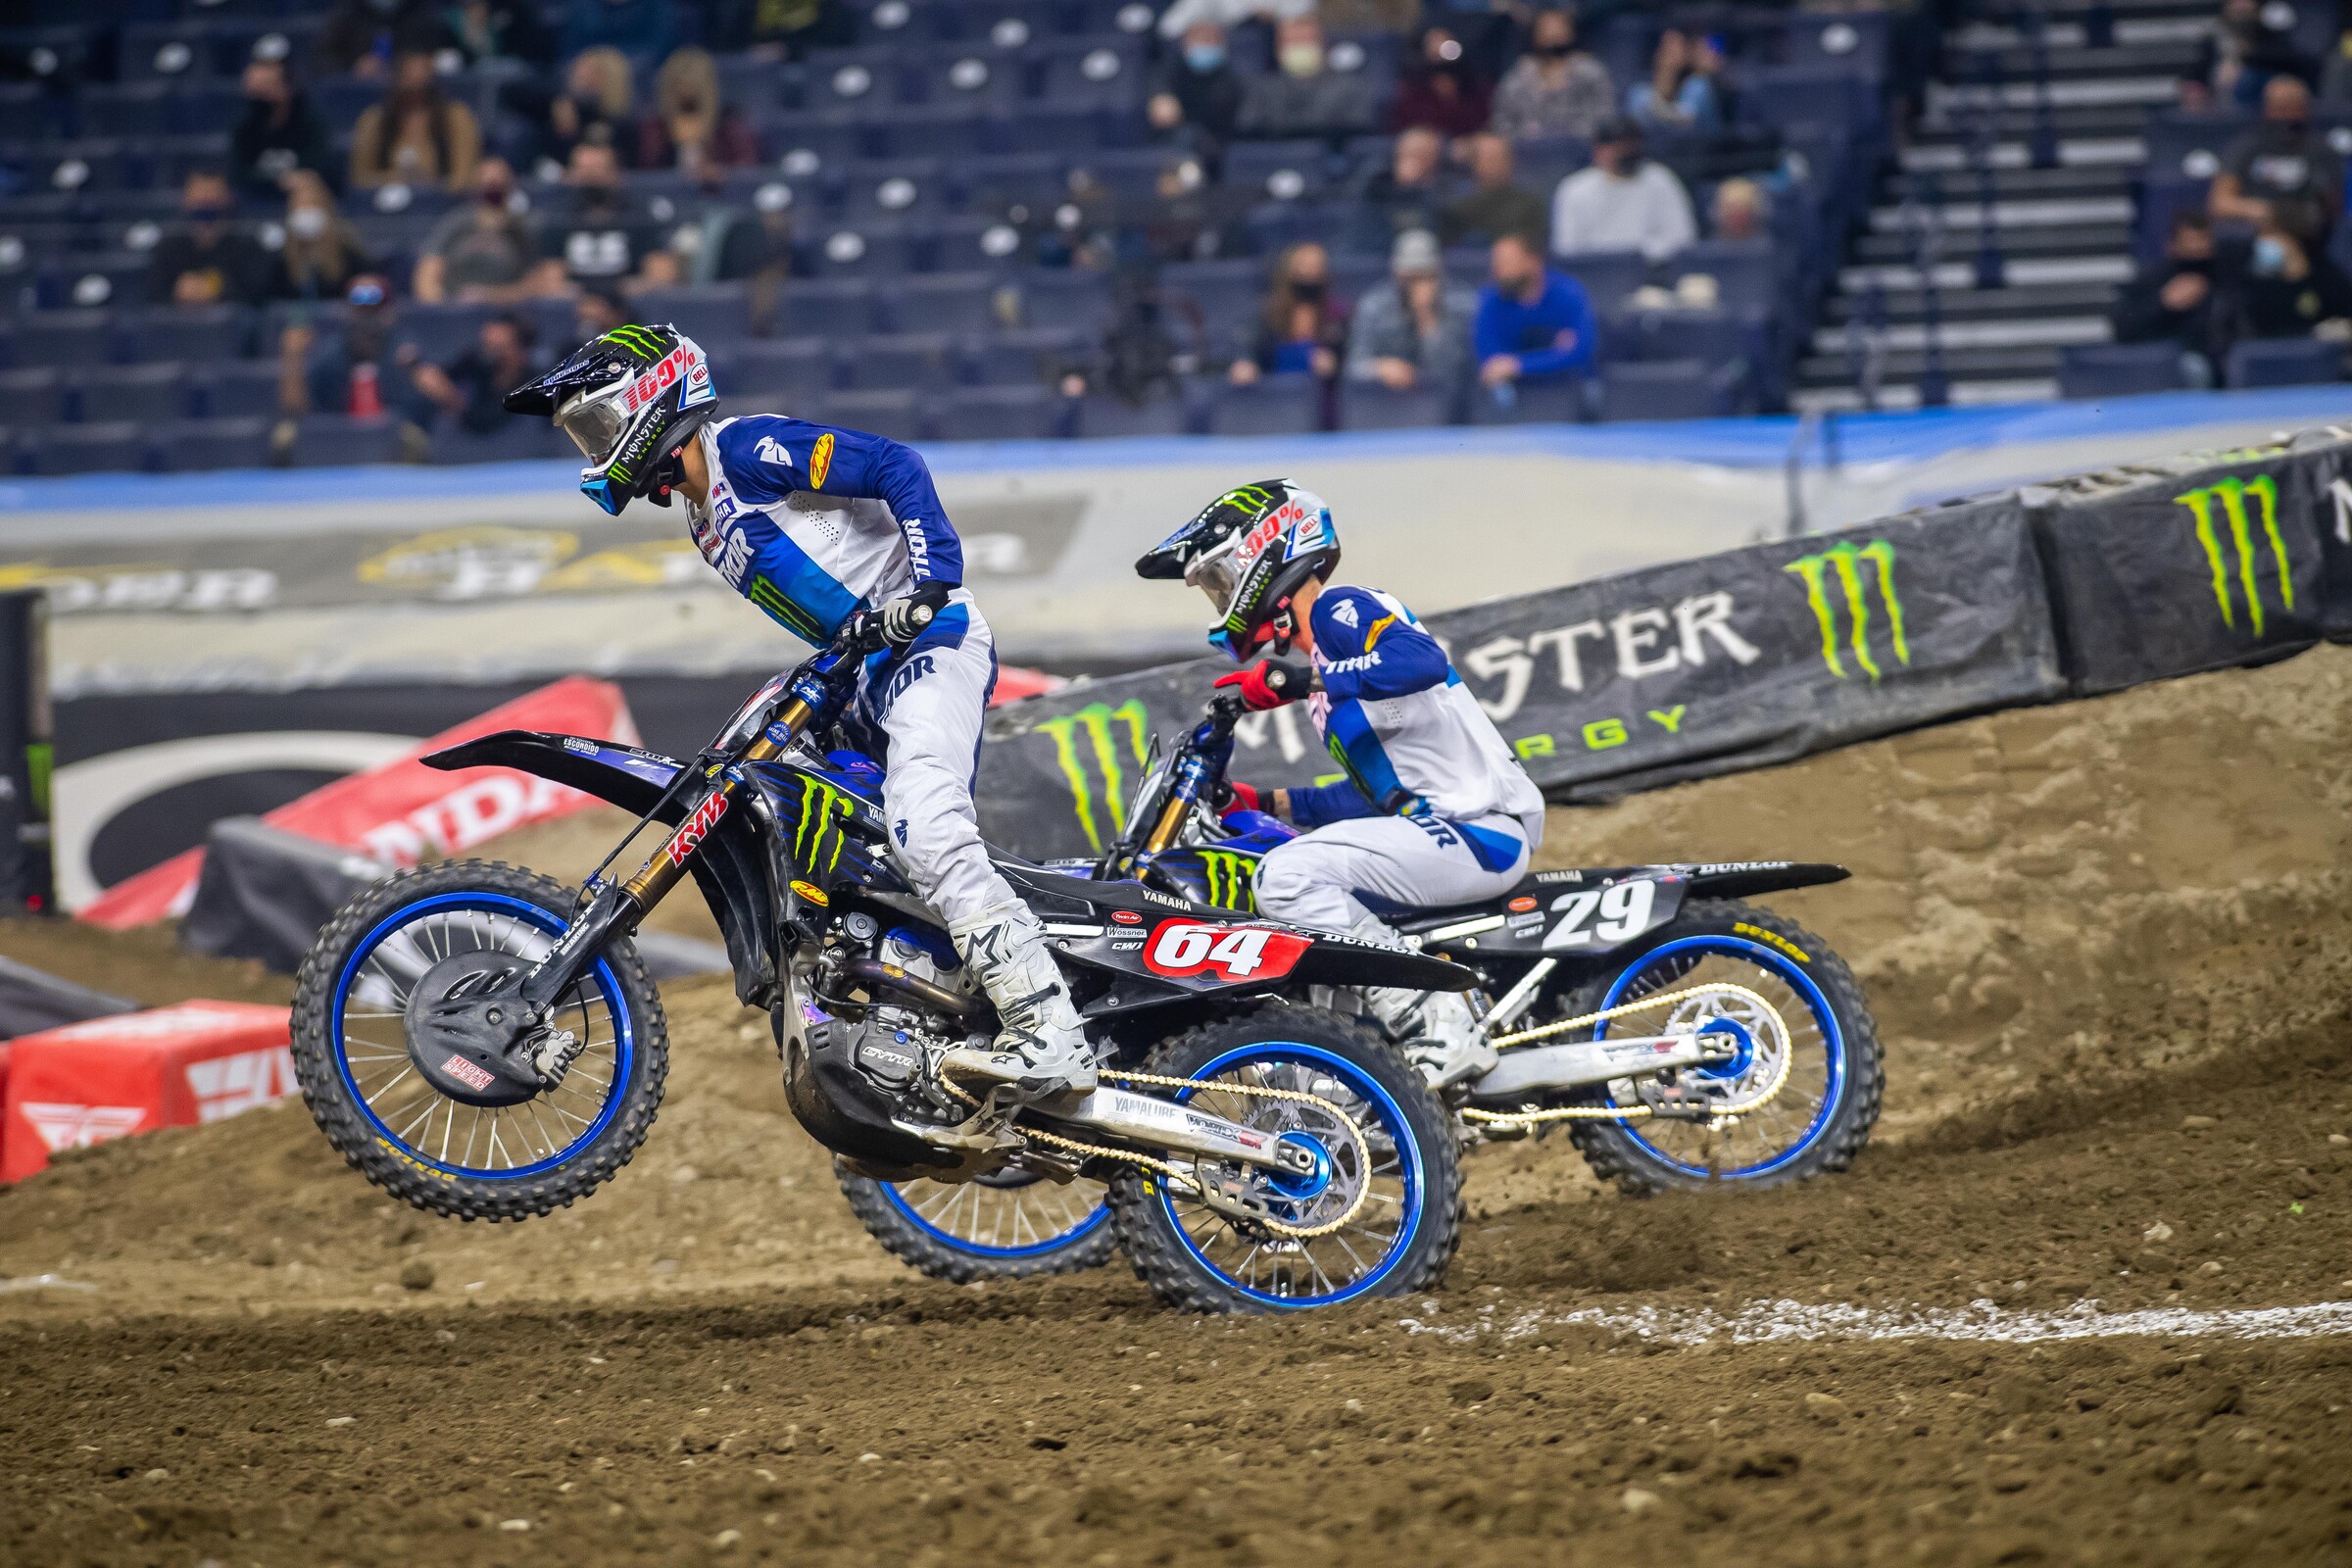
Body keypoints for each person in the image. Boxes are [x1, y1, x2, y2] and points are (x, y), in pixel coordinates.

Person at [503, 325, 1096, 1102]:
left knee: (926, 824)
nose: (596, 447)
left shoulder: (743, 450)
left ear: (654, 399)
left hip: (931, 638)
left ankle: (1049, 1029)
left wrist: (930, 582)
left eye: (599, 424)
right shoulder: (703, 515)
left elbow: (895, 465)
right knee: (809, 819)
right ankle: (923, 998)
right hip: (864, 672)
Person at [1134, 481, 1545, 1088]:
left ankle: (1437, 1015)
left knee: (1287, 877)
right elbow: (1374, 798)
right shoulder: (1328, 678)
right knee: (1284, 861)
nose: (1221, 598)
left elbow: (1422, 661)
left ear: (1262, 556)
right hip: (1442, 831)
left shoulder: (1340, 610)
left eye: (1220, 578)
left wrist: (1302, 681)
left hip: (1479, 832)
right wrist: (1261, 802)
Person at [1345, 227, 1476, 404]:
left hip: (1448, 406)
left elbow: (1454, 374)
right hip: (1388, 403)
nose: (1416, 286)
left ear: (1438, 273)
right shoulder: (1374, 306)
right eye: (1409, 278)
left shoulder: (1462, 305)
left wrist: (1428, 318)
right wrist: (1379, 367)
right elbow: (1353, 367)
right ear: (1396, 273)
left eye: (1424, 276)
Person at [2211, 74, 2343, 237]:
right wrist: (2270, 212)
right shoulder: (2247, 146)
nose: (2286, 116)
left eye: (2293, 107)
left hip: (2307, 234)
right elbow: (2220, 203)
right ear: (2267, 108)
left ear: (2306, 109)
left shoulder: (2321, 150)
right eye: (2280, 108)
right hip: (2255, 232)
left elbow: (2329, 207)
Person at [1550, 116, 1695, 261]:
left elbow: (1682, 237)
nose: (1625, 152)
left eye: (1630, 146)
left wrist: (1640, 255)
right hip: (1595, 269)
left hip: (1651, 268)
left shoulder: (1660, 180)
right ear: (1598, 151)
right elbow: (1567, 249)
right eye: (1617, 148)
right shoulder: (1574, 189)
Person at [414, 157, 555, 303]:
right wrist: (445, 307)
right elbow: (428, 272)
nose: (493, 189)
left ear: (511, 185)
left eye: (498, 183)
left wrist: (493, 296)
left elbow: (540, 281)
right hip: (456, 306)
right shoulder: (456, 222)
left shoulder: (524, 227)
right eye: (487, 183)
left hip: (507, 309)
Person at [2111, 209, 2226, 386]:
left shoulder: (2225, 278)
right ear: (2172, 245)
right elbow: (2123, 327)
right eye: (2190, 241)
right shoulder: (2153, 281)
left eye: (2203, 240)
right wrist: (2163, 303)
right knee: (2192, 368)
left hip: (2220, 361)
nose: (2197, 248)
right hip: (2163, 361)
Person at [1476, 230, 1596, 393]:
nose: (1497, 271)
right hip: (1516, 395)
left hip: (1569, 392)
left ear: (1533, 261)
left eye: (1506, 262)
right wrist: (1554, 355)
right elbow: (1491, 363)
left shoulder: (1569, 294)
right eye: (1496, 263)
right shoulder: (1490, 301)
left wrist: (1517, 365)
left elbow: (1580, 353)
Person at [349, 49, 483, 192]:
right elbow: (359, 179)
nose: (415, 98)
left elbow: (463, 178)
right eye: (409, 89)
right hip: (383, 199)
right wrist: (392, 179)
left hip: (441, 200)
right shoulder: (374, 120)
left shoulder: (456, 117)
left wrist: (430, 187)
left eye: (422, 89)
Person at [1229, 241, 1348, 396]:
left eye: (1317, 265)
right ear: (1289, 269)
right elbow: (1246, 349)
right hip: (1273, 396)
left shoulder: (1338, 315)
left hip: (1324, 395)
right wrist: (1244, 363)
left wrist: (1335, 364)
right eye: (1305, 264)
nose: (1311, 271)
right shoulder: (1267, 314)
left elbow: (1354, 359)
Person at [541, 142, 663, 290]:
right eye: (584, 171)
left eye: (598, 170)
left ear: (616, 173)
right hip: (575, 301)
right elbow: (551, 280)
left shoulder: (639, 216)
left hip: (627, 300)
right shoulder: (557, 218)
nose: (592, 179)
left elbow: (660, 274)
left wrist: (615, 294)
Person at [1237, 15, 1379, 140]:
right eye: (1293, 41)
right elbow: (1248, 133)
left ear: (1323, 46)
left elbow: (1359, 131)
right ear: (1278, 50)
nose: (1301, 46)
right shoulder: (1261, 90)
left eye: (1306, 40)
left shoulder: (1351, 88)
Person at [2217, 209, 2352, 341]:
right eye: (2260, 234)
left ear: (2293, 238)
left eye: (2269, 233)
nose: (2261, 240)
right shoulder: (2253, 283)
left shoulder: (2326, 277)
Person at [148, 171, 273, 308]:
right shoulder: (169, 245)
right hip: (176, 320)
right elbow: (153, 296)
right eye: (200, 192)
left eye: (213, 193)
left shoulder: (247, 244)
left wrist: (217, 288)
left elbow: (257, 295)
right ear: (186, 198)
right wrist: (178, 291)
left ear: (228, 197)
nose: (206, 199)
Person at [1490, 8, 1615, 142]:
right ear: (1534, 33)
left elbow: (1605, 117)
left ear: (1571, 32)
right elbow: (1502, 122)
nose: (1552, 33)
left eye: (1558, 26)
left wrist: (1577, 135)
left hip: (1583, 145)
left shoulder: (1590, 72)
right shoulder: (1517, 77)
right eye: (1546, 27)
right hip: (1527, 147)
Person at [407, 311, 541, 435]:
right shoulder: (479, 361)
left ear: (522, 351)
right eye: (488, 346)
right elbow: (438, 374)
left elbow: (486, 426)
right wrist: (415, 365)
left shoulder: (534, 387)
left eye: (501, 347)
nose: (493, 354)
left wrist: (453, 399)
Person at [636, 47, 760, 174]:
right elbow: (648, 172)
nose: (686, 92)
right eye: (679, 84)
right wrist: (678, 146)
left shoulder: (729, 126)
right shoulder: (655, 128)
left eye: (695, 85)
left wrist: (720, 171)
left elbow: (746, 170)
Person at [231, 56, 336, 200]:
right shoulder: (244, 128)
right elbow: (237, 174)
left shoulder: (310, 125)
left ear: (288, 88)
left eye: (268, 88)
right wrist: (279, 180)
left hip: (301, 199)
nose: (261, 98)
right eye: (256, 92)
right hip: (253, 199)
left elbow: (317, 170)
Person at [2186, 0, 2315, 111]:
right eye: (2236, 3)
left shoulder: (2270, 35)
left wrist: (2244, 60)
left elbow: (2288, 61)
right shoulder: (2213, 41)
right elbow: (2198, 74)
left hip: (2259, 98)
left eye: (2247, 3)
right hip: (2218, 100)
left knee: (2250, 79)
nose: (2242, 7)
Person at [270, 171, 373, 301]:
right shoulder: (281, 259)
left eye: (312, 205)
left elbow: (367, 292)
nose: (306, 213)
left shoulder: (349, 254)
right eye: (300, 207)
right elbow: (273, 301)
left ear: (326, 211)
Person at [1148, 21, 1247, 154]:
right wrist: (1161, 102)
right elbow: (1161, 109)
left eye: (1209, 40)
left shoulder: (1233, 77)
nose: (1204, 46)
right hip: (1179, 143)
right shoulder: (1170, 71)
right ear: (1185, 44)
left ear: (1222, 45)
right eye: (1198, 40)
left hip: (1222, 143)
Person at [534, 47, 640, 171]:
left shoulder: (625, 125)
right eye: (579, 72)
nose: (582, 78)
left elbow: (631, 166)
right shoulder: (565, 115)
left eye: (592, 73)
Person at [1442, 132, 1546, 247]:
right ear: (1474, 163)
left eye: (1503, 157)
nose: (1498, 164)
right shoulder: (1459, 209)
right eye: (1490, 158)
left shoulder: (1529, 205)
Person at [1354, 124, 1451, 248]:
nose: (1411, 162)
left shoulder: (1447, 191)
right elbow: (1363, 232)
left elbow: (1438, 228)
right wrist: (1404, 187)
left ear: (1435, 158)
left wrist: (1416, 188)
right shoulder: (1375, 186)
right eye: (1406, 154)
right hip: (1379, 252)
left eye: (1420, 155)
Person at [1389, 24, 1492, 139]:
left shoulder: (1475, 87)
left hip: (1468, 141)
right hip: (1426, 140)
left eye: (1446, 42)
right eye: (1434, 42)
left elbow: (1483, 122)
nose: (1440, 48)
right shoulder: (1411, 90)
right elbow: (1404, 129)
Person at [1626, 28, 1723, 133]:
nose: (1671, 51)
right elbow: (1632, 128)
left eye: (1678, 47)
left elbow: (1684, 119)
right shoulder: (1639, 93)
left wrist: (1651, 105)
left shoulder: (1697, 86)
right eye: (1665, 46)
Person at [320, 0, 443, 77]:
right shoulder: (344, 14)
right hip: (356, 97)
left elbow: (439, 58)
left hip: (409, 97)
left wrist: (403, 68)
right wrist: (352, 69)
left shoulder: (426, 14)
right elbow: (322, 61)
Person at [706, 0, 855, 59]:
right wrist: (752, 51)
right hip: (758, 83)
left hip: (817, 79)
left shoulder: (830, 6)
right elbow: (727, 51)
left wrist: (789, 49)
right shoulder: (740, 7)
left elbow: (837, 48)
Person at [437, 0, 558, 69]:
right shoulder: (446, 21)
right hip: (466, 81)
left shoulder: (512, 11)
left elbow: (527, 53)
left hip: (507, 78)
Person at [562, 0, 678, 64]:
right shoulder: (582, 7)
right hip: (587, 84)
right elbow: (569, 53)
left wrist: (614, 69)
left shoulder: (657, 8)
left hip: (643, 86)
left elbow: (658, 52)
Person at [1711, 175, 1770, 241]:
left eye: (1743, 210)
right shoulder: (1711, 245)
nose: (1737, 216)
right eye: (1732, 210)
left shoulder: (1765, 243)